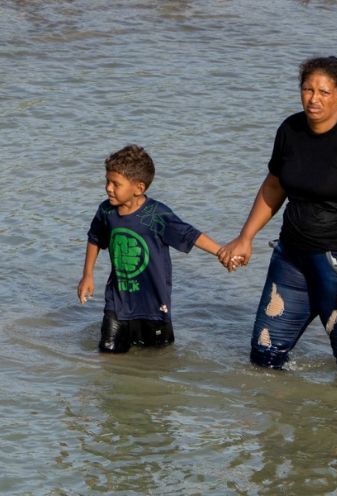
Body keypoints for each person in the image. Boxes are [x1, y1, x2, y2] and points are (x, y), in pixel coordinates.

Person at [219, 56, 337, 374]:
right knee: (265, 356)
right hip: (292, 259)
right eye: (307, 89)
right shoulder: (291, 129)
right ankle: (288, 416)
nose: (314, 99)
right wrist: (245, 237)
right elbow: (274, 186)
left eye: (324, 92)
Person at [77, 144, 226, 353]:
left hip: (154, 304)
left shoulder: (157, 215)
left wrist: (221, 252)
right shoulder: (106, 211)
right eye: (107, 181)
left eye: (115, 184)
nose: (108, 188)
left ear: (139, 188)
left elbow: (190, 234)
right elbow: (94, 238)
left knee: (157, 360)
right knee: (107, 354)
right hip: (117, 301)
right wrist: (88, 275)